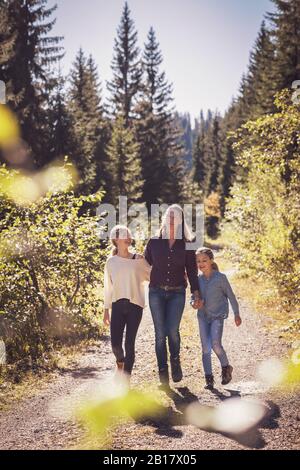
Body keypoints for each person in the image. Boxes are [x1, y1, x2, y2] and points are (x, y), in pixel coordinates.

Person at [144, 204, 202, 387]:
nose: (171, 218)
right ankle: (163, 372)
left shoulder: (187, 244)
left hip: (177, 292)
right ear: (164, 217)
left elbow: (192, 271)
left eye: (175, 216)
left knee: (172, 331)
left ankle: (175, 361)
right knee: (160, 334)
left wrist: (196, 293)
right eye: (169, 215)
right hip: (156, 292)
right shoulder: (154, 241)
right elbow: (145, 264)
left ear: (180, 220)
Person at [103, 225, 151, 383]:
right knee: (115, 344)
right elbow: (108, 286)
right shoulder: (111, 262)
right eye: (125, 235)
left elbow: (153, 275)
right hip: (117, 304)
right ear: (116, 240)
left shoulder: (138, 259)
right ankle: (120, 364)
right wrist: (106, 310)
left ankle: (126, 380)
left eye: (130, 235)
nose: (129, 238)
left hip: (135, 305)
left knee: (129, 343)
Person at [196, 247, 242, 389]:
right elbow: (194, 297)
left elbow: (231, 296)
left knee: (215, 344)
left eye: (204, 260)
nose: (201, 263)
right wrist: (195, 303)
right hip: (203, 316)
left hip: (217, 316)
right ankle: (209, 379)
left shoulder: (220, 278)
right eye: (198, 261)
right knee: (205, 348)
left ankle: (226, 368)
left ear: (211, 261)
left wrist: (236, 313)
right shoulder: (198, 280)